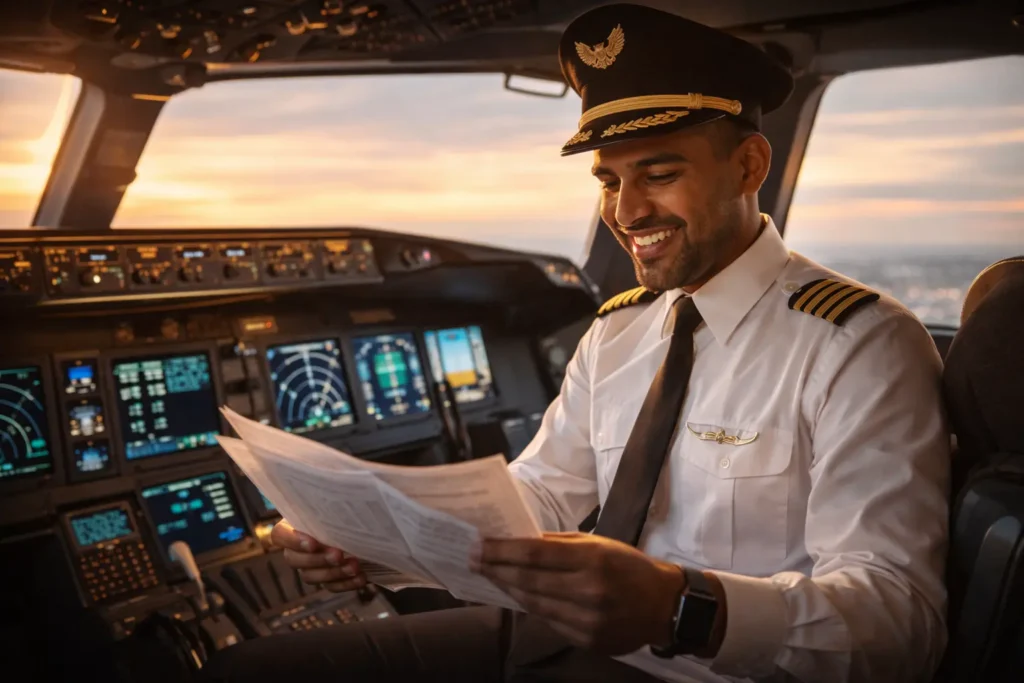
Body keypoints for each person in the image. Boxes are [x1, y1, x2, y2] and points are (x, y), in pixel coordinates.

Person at [201, 4, 950, 682]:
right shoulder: (619, 329)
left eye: (659, 173)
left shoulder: (860, 343)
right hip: (561, 638)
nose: (627, 211)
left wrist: (683, 606)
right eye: (608, 180)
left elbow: (898, 619)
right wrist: (376, 546)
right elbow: (538, 499)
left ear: (749, 165)